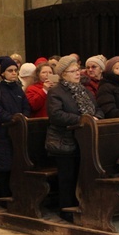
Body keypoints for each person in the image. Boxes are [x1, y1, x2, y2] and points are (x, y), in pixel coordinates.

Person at [46, 55, 104, 222]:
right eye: (73, 71)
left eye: (78, 70)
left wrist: (96, 117)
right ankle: (66, 209)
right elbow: (56, 115)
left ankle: (84, 204)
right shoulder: (56, 92)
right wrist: (82, 120)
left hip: (85, 141)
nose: (77, 73)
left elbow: (97, 108)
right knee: (68, 176)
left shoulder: (84, 90)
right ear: (63, 74)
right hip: (64, 140)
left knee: (83, 174)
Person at [0, 56, 31, 199]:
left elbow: (26, 105)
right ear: (3, 73)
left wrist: (23, 117)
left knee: (18, 163)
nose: (13, 73)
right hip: (2, 131)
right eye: (10, 70)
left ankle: (17, 194)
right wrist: (12, 119)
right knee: (4, 165)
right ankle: (4, 196)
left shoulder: (18, 88)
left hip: (18, 132)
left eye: (15, 70)